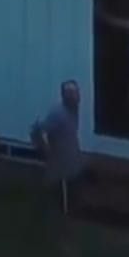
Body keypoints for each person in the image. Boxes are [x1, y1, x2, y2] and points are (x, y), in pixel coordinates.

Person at [30, 80, 86, 213]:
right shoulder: (57, 113)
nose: (76, 96)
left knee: (75, 186)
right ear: (64, 96)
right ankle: (59, 212)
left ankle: (71, 209)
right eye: (71, 93)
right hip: (61, 161)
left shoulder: (73, 109)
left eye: (76, 92)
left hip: (72, 157)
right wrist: (45, 149)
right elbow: (40, 131)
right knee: (61, 191)